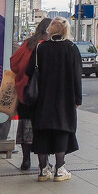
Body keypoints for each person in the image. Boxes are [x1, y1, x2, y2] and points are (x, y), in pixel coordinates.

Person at [26, 16, 82, 180]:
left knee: (42, 131)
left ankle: (43, 170)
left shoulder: (40, 49)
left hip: (42, 98)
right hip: (65, 98)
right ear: (66, 30)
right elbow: (76, 76)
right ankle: (60, 169)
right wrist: (77, 99)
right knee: (62, 130)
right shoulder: (71, 48)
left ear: (50, 30)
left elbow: (29, 72)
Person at [10, 19, 51, 171]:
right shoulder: (47, 46)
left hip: (25, 91)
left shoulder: (27, 44)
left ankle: (26, 160)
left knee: (25, 125)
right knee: (42, 127)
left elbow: (14, 63)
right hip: (43, 94)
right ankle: (44, 161)